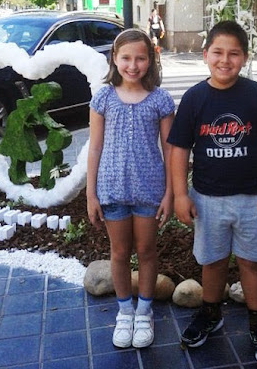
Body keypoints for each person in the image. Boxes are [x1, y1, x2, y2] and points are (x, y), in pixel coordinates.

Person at [168, 20, 257, 366]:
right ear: (205, 55)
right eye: (218, 52)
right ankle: (210, 313)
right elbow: (178, 149)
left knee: (252, 262)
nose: (225, 60)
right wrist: (180, 194)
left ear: (245, 57)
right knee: (213, 260)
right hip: (207, 200)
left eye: (233, 53)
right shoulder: (194, 98)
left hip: (253, 199)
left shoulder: (255, 94)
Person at [86, 29, 175, 349]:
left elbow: (171, 150)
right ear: (114, 58)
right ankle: (125, 311)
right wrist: (90, 194)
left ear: (150, 60)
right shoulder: (103, 98)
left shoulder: (161, 100)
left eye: (140, 58)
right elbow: (94, 148)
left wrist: (170, 193)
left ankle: (145, 311)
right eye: (126, 58)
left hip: (150, 191)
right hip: (111, 190)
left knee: (148, 253)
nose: (133, 65)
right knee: (120, 253)